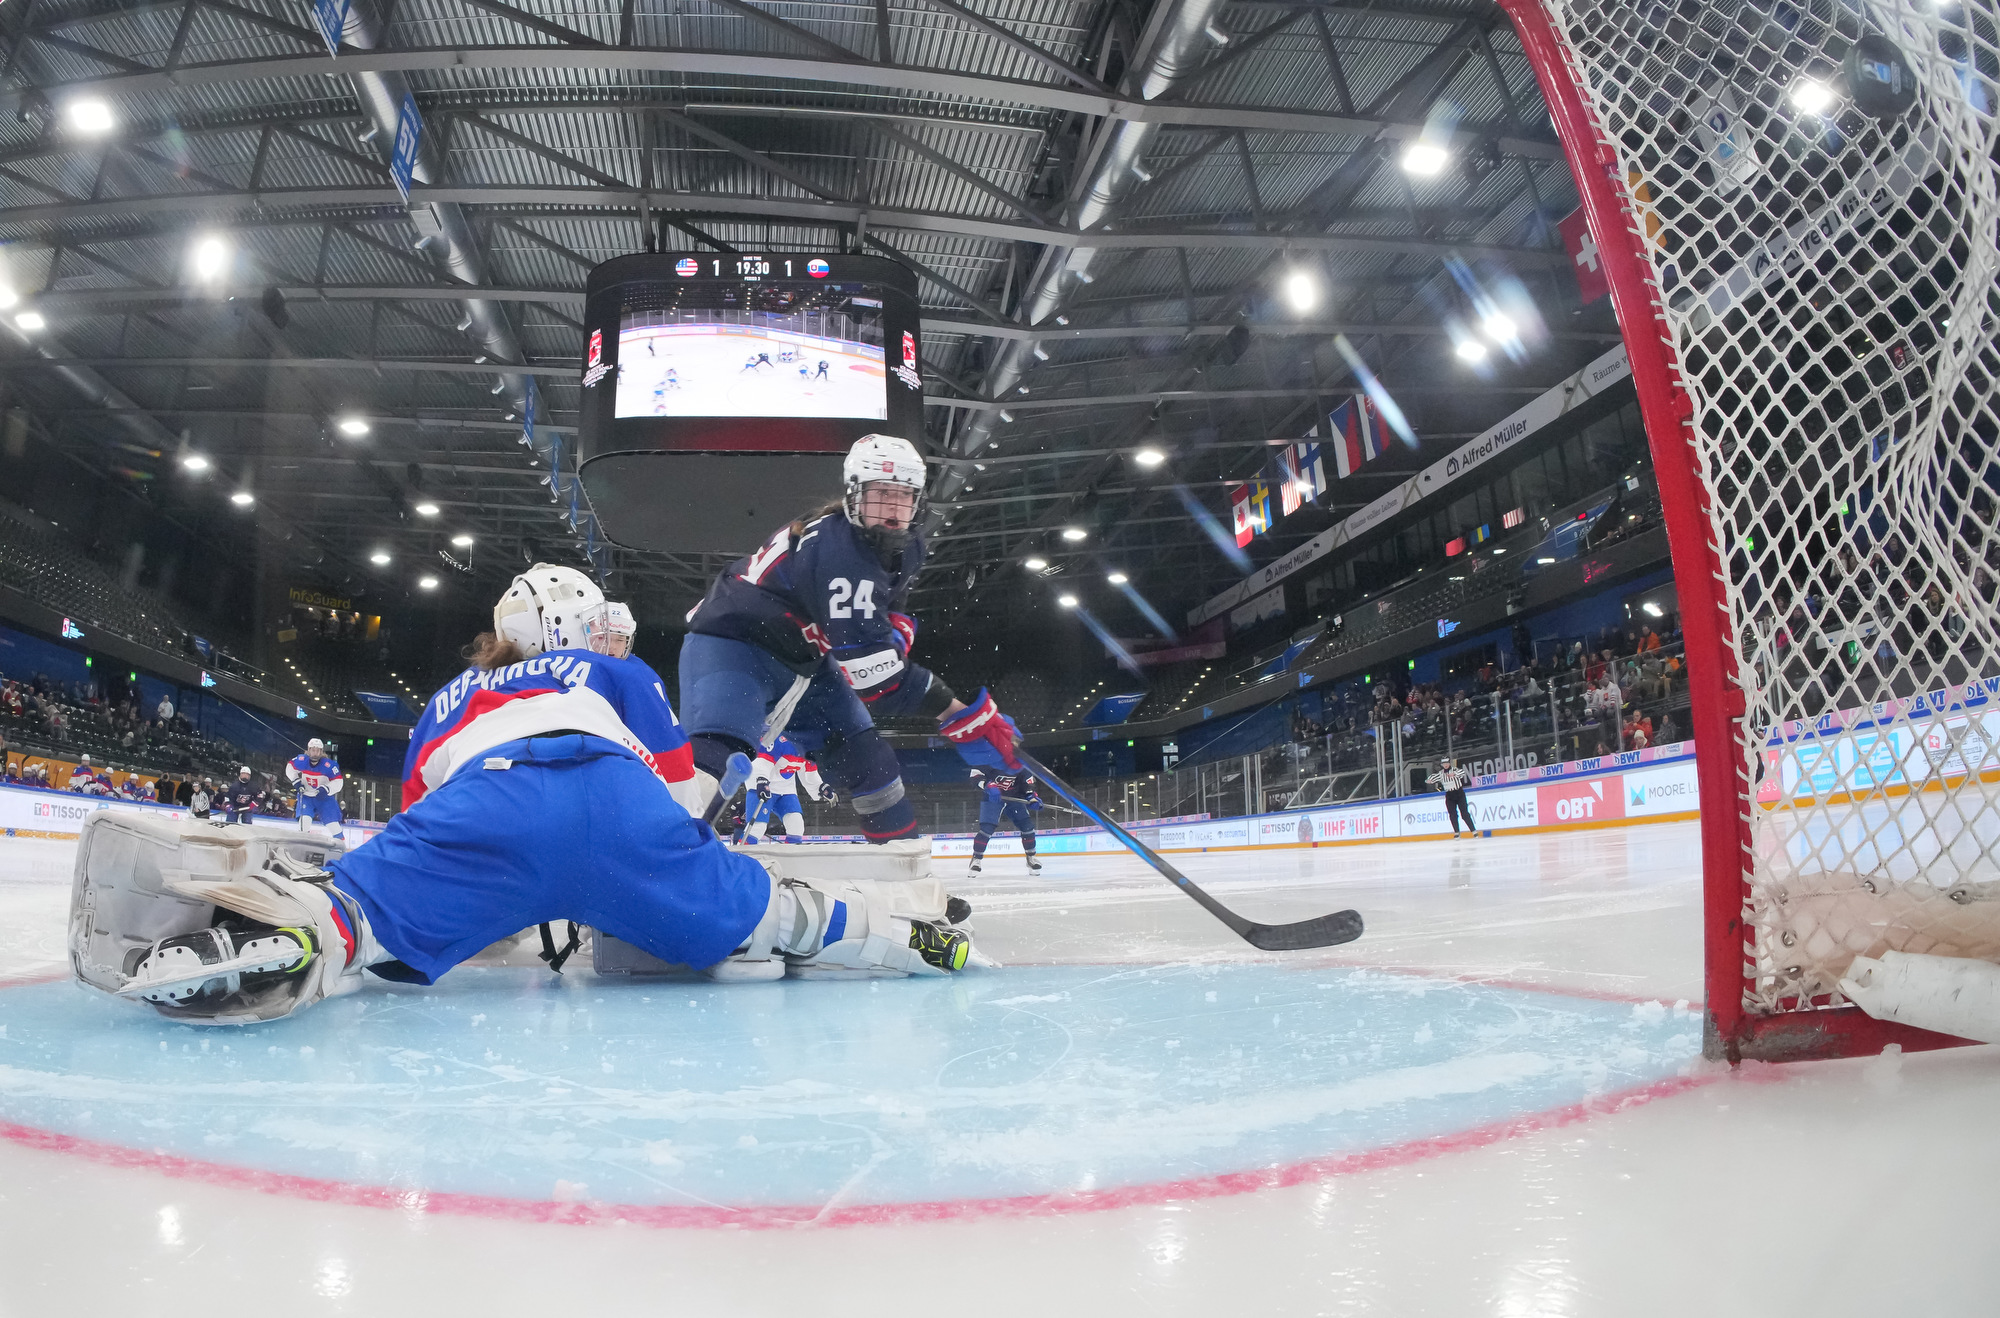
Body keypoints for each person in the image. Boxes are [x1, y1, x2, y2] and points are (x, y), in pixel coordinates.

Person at [82, 565, 976, 1025]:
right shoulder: (610, 670)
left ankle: (290, 933)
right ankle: (909, 939)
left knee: (361, 916)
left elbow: (417, 818)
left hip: (487, 806)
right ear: (566, 626)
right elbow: (680, 797)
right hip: (615, 802)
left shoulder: (447, 698)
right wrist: (690, 842)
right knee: (770, 922)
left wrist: (458, 897)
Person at [678, 434, 1023, 843]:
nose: (893, 509)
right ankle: (663, 851)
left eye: (904, 495)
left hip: (806, 660)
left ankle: (899, 863)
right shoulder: (842, 551)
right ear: (854, 495)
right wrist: (959, 713)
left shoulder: (906, 544)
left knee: (869, 761)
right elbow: (876, 680)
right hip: (736, 644)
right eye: (882, 494)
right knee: (719, 749)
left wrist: (894, 636)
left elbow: (890, 604)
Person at [742, 735, 832, 844]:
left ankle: (790, 854)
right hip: (763, 783)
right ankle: (743, 851)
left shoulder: (808, 749)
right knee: (757, 827)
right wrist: (761, 779)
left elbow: (809, 772)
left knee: (796, 826)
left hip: (786, 788)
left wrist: (820, 787)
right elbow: (762, 760)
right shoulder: (779, 740)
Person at [967, 766, 1042, 875]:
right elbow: (975, 774)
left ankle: (1031, 857)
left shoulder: (1018, 763)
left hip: (1015, 798)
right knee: (987, 828)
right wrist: (987, 785)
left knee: (1027, 826)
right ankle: (976, 858)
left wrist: (1032, 796)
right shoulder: (990, 760)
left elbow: (1027, 782)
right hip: (992, 798)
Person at [287, 738, 344, 835]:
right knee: (304, 824)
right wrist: (296, 781)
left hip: (324, 799)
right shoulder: (301, 760)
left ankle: (340, 843)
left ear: (321, 751)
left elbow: (339, 781)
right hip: (306, 797)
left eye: (318, 750)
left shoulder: (329, 765)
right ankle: (303, 843)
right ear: (308, 750)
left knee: (333, 826)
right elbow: (290, 767)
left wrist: (326, 789)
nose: (315, 753)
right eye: (313, 750)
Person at [1427, 756, 1477, 838]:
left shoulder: (1455, 770)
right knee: (1452, 814)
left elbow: (1462, 773)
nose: (1445, 765)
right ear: (1442, 765)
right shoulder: (1441, 774)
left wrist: (1454, 774)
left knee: (1464, 813)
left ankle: (1473, 830)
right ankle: (1456, 832)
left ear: (1449, 763)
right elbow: (1432, 778)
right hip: (1449, 795)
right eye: (1444, 763)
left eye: (1447, 763)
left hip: (1459, 793)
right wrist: (1428, 780)